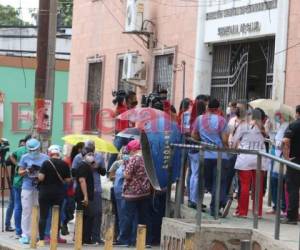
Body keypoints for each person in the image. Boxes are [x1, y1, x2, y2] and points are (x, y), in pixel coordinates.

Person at [191, 98, 229, 216]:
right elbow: (224, 139)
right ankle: (216, 206)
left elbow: (194, 135)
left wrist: (203, 139)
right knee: (219, 182)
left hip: (205, 155)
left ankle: (197, 202)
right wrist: (227, 148)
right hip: (219, 156)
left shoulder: (199, 119)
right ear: (218, 109)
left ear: (207, 108)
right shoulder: (222, 120)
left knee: (205, 181)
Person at [232, 109, 268, 218]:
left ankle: (243, 212)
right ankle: (258, 213)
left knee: (244, 186)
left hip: (245, 158)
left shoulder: (243, 125)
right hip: (259, 159)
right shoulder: (263, 127)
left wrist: (233, 149)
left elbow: (234, 140)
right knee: (258, 187)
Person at [116, 140, 152, 247]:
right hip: (145, 192)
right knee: (144, 217)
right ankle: (145, 241)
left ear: (133, 149)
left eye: (129, 150)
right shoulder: (147, 158)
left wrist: (123, 170)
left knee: (128, 217)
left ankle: (125, 240)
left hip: (131, 193)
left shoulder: (134, 159)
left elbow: (127, 175)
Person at [36, 145, 71, 247]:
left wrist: (39, 174)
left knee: (43, 216)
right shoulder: (64, 164)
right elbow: (68, 180)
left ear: (50, 154)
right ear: (58, 153)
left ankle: (42, 240)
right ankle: (55, 238)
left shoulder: (46, 163)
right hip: (58, 193)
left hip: (45, 193)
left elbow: (41, 178)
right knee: (57, 216)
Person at [73, 142, 106, 244]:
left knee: (96, 214)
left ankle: (94, 237)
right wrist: (84, 167)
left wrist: (97, 167)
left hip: (95, 188)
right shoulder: (79, 158)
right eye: (88, 148)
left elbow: (104, 172)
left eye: (92, 149)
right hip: (83, 189)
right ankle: (79, 236)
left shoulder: (99, 157)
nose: (91, 151)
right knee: (82, 214)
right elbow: (74, 172)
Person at [18, 138, 49, 244]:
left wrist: (40, 173)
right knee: (26, 210)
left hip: (40, 187)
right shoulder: (24, 157)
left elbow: (49, 173)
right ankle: (25, 234)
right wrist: (27, 170)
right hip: (27, 186)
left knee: (38, 211)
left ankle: (35, 234)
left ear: (38, 148)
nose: (32, 152)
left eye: (34, 149)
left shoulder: (45, 158)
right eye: (30, 150)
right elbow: (20, 172)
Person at [267, 111, 289, 215]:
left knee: (279, 181)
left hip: (281, 157)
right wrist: (270, 130)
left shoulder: (287, 126)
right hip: (275, 156)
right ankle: (276, 205)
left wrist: (276, 143)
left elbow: (282, 143)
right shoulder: (280, 126)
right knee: (274, 182)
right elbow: (275, 139)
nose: (276, 117)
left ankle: (282, 206)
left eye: (278, 115)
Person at [281, 105, 300, 224]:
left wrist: (286, 157)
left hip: (295, 160)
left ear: (297, 113)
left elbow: (286, 141)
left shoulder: (294, 125)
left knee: (293, 188)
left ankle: (292, 217)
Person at [61, 142, 84, 236]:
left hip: (76, 189)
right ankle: (63, 225)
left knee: (71, 210)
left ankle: (64, 224)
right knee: (66, 208)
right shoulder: (67, 161)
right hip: (67, 188)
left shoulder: (82, 160)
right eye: (83, 148)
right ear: (79, 149)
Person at [10, 135, 31, 239]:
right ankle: (23, 231)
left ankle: (19, 231)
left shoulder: (19, 150)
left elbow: (11, 155)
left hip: (18, 181)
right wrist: (18, 164)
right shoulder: (32, 151)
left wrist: (17, 164)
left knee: (19, 207)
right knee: (24, 208)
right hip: (23, 182)